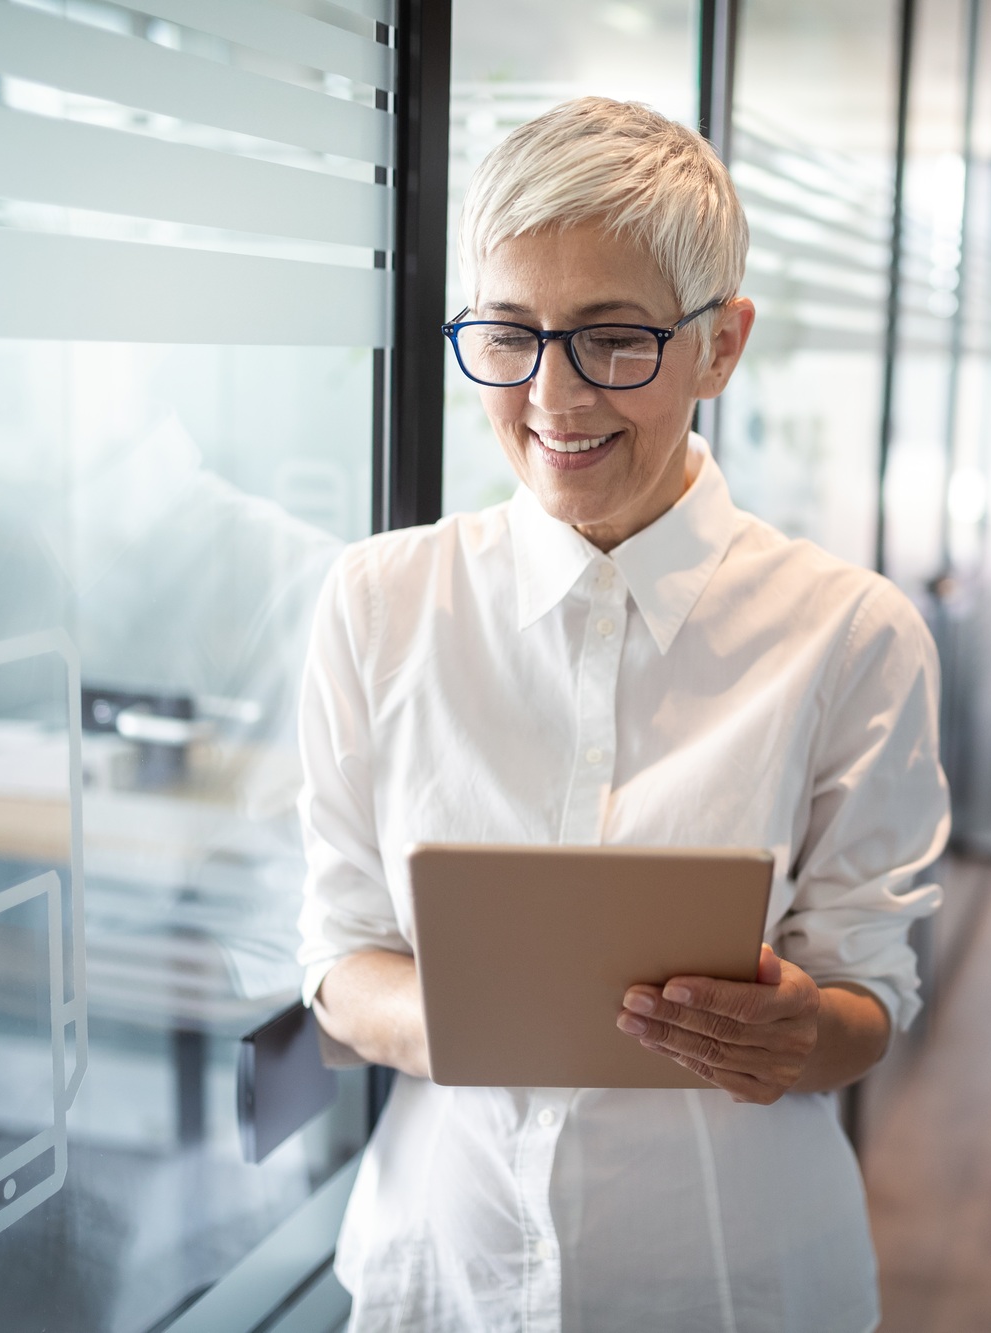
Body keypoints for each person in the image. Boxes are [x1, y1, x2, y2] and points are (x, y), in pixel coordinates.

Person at [296, 98, 948, 1331]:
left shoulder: (851, 637)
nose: (553, 396)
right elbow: (337, 961)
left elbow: (868, 1002)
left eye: (613, 340)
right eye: (508, 334)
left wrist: (800, 1032)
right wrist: (490, 1021)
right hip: (444, 1268)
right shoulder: (378, 604)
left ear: (721, 345)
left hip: (724, 1278)